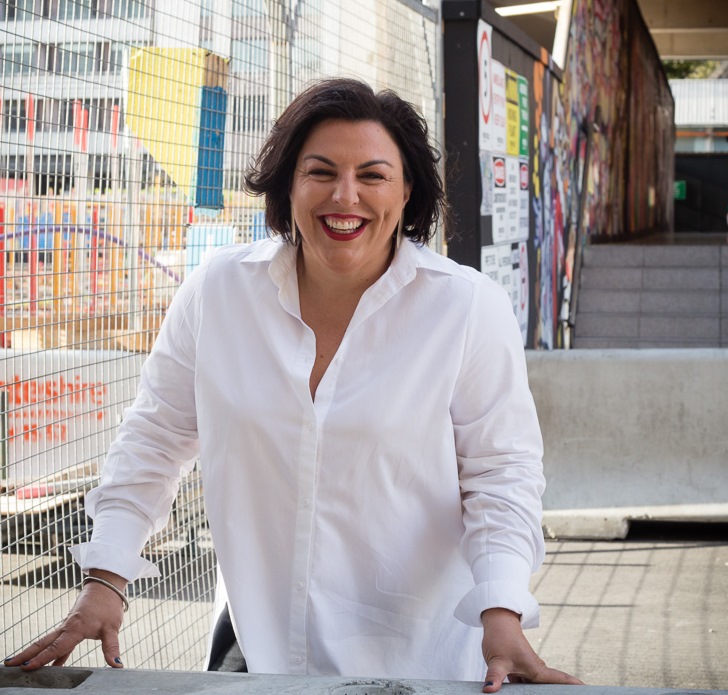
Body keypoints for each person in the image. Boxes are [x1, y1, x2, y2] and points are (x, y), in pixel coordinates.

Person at [4, 78, 582, 693]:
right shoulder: (218, 292)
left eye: (373, 175)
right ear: (288, 184)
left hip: (416, 662)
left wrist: (501, 609)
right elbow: (154, 439)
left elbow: (502, 475)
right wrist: (106, 577)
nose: (345, 195)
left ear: (407, 190)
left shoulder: (466, 308)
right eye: (321, 172)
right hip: (260, 647)